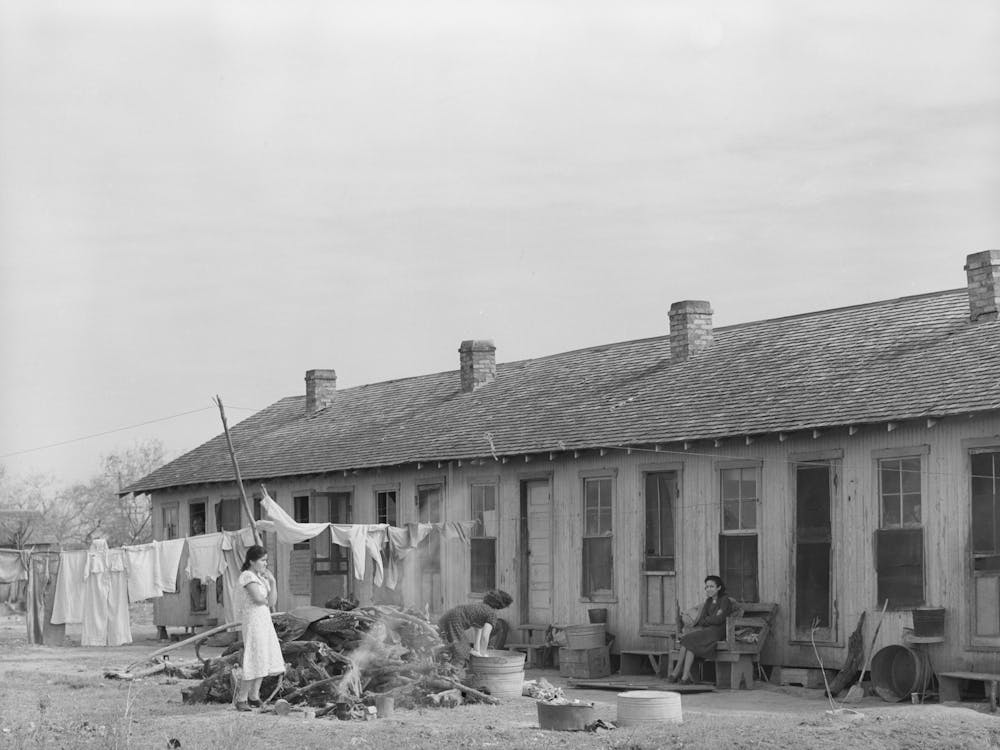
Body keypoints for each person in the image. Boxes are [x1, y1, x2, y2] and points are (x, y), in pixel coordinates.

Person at [233, 545, 285, 711]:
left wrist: (272, 581)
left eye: (266, 560)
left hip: (264, 619)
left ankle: (254, 695)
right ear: (252, 561)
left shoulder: (261, 577)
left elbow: (271, 602)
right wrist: (266, 598)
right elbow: (257, 598)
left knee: (264, 654)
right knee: (254, 655)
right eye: (262, 560)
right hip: (253, 619)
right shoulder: (247, 576)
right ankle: (241, 698)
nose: (265, 563)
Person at [667, 575, 734, 684]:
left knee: (688, 639)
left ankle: (677, 672)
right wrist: (710, 619)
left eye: (711, 586)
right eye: (707, 587)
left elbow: (719, 620)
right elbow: (702, 619)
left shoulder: (724, 600)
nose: (708, 589)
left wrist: (708, 619)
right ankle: (684, 677)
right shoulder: (708, 601)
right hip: (706, 631)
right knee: (689, 643)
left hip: (717, 632)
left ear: (719, 588)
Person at [438, 588, 513, 663]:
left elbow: (478, 627)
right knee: (461, 650)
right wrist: (483, 655)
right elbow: (484, 637)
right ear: (501, 606)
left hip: (447, 616)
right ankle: (457, 669)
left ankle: (445, 665)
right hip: (454, 620)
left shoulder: (480, 606)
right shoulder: (492, 614)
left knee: (449, 645)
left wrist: (477, 649)